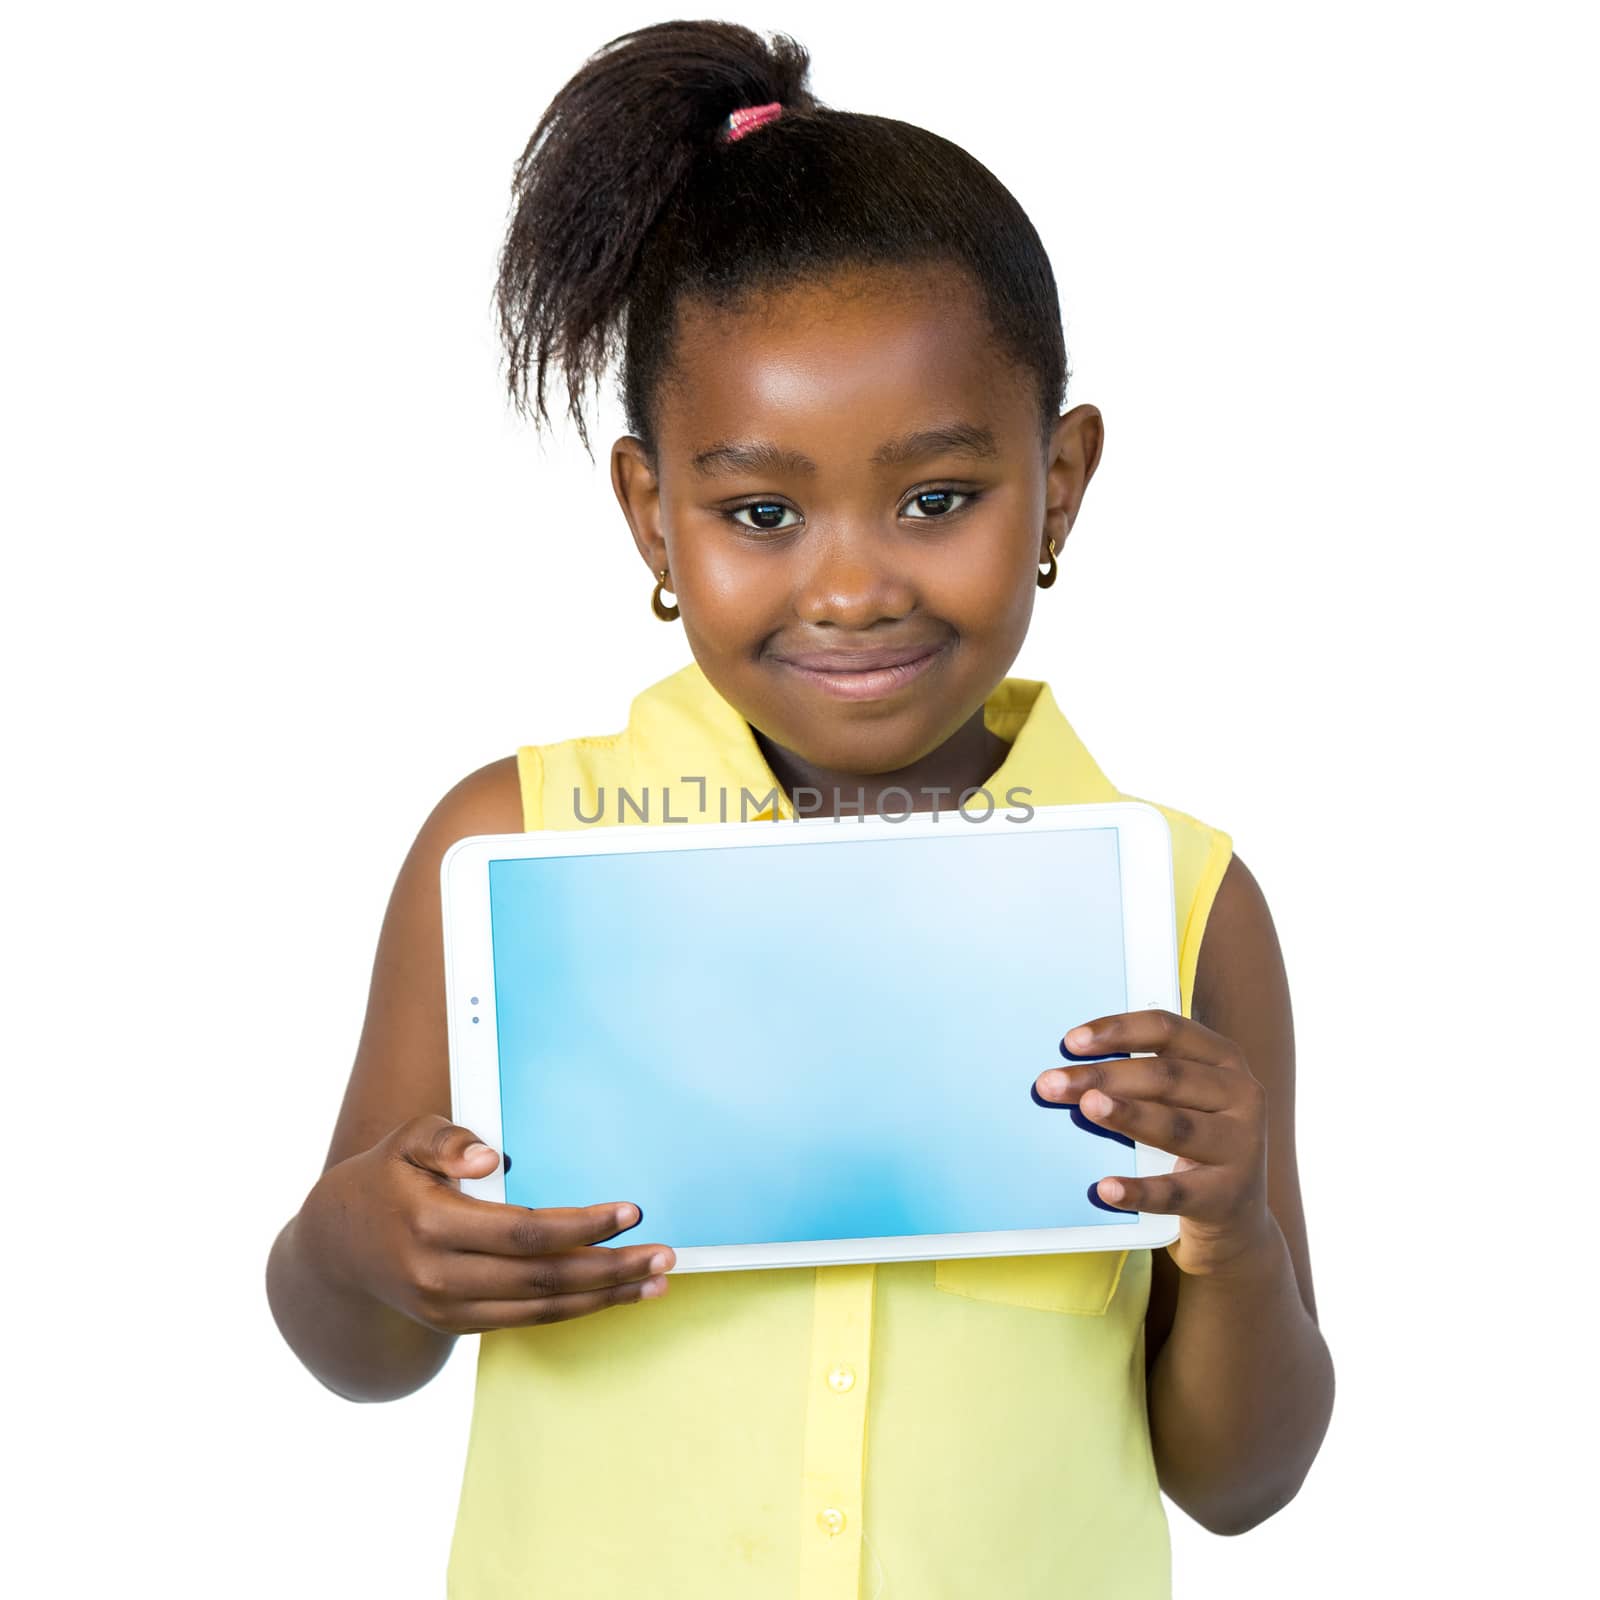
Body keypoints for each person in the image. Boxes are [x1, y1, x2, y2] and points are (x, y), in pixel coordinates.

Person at [265, 20, 1335, 1598]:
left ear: (1064, 483)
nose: (851, 585)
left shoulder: (1178, 902)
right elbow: (356, 1351)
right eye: (761, 511)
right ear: (652, 514)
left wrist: (1232, 1238)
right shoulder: (512, 843)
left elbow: (1243, 1483)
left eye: (937, 498)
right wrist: (367, 1249)